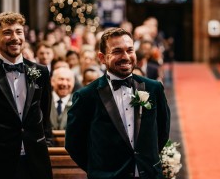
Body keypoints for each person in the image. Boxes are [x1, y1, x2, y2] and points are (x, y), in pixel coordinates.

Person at [66, 27, 170, 179]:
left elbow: (162, 132)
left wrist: (146, 161)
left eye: (130, 50)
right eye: (117, 51)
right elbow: (73, 144)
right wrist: (99, 171)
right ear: (102, 58)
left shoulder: (154, 89)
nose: (126, 56)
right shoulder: (86, 96)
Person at [0, 12, 53, 179]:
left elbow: (44, 112)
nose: (15, 37)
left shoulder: (40, 72)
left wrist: (44, 141)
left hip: (36, 160)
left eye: (19, 32)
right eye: (7, 32)